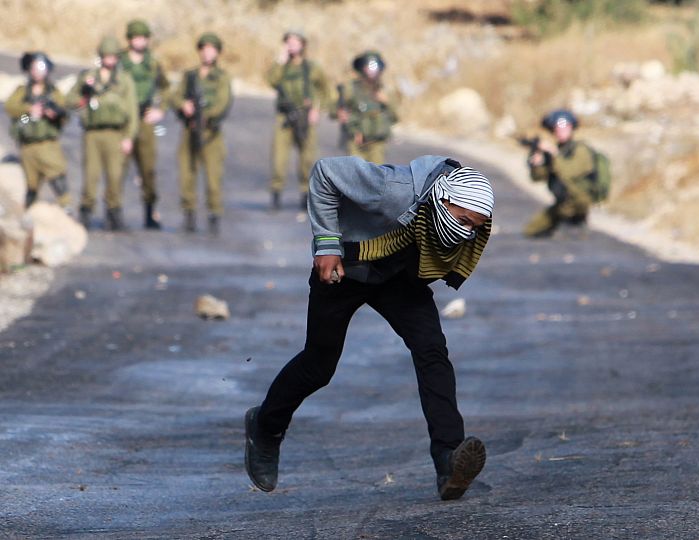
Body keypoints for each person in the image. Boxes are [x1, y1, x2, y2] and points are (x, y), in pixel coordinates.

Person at [245, 155, 494, 501]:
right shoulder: (391, 189)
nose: (466, 231)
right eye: (463, 219)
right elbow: (324, 173)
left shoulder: (457, 218)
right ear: (444, 198)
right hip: (348, 263)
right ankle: (265, 428)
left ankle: (449, 460)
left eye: (474, 226)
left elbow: (454, 237)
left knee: (432, 350)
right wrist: (327, 243)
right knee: (319, 365)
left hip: (398, 276)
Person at [66, 36, 138, 231]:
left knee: (115, 176)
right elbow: (70, 99)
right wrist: (84, 93)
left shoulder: (124, 80)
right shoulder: (88, 77)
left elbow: (132, 111)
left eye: (114, 56)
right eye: (107, 55)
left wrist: (129, 137)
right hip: (92, 133)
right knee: (91, 176)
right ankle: (86, 211)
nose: (110, 59)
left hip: (116, 133)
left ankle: (114, 213)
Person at [169, 32, 232, 235]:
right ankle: (189, 214)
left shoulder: (221, 77)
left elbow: (224, 102)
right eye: (204, 49)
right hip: (190, 130)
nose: (207, 53)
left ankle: (214, 215)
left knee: (213, 178)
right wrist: (183, 105)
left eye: (212, 49)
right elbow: (175, 96)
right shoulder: (190, 75)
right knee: (187, 174)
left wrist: (206, 115)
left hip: (211, 133)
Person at [266, 30, 330, 210]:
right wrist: (280, 60)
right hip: (284, 117)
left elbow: (326, 89)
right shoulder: (282, 67)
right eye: (288, 42)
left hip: (304, 117)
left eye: (295, 42)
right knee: (279, 159)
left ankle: (305, 195)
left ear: (303, 44)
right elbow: (271, 80)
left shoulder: (312, 67)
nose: (291, 45)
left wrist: (317, 109)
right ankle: (276, 194)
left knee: (307, 158)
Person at [119, 19, 170, 230]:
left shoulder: (153, 63)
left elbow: (166, 88)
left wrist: (161, 110)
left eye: (144, 38)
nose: (140, 41)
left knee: (148, 169)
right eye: (136, 37)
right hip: (123, 121)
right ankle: (114, 212)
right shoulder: (119, 62)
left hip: (146, 119)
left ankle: (150, 213)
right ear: (130, 39)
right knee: (118, 170)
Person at [4, 52, 70, 210]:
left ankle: (66, 207)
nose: (38, 72)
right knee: (31, 184)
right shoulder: (22, 91)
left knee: (57, 176)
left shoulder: (53, 92)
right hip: (27, 143)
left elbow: (64, 113)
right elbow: (10, 107)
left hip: (47, 142)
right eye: (34, 68)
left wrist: (52, 114)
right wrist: (29, 110)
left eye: (41, 68)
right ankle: (29, 212)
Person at [523, 109, 595, 238]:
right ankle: (563, 220)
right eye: (558, 128)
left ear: (572, 128)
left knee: (572, 226)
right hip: (560, 203)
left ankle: (576, 221)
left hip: (579, 200)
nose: (561, 131)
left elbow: (569, 172)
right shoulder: (555, 150)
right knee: (531, 230)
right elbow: (537, 178)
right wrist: (537, 163)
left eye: (565, 127)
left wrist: (554, 154)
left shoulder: (580, 149)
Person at [334, 50, 398, 164]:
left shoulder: (386, 90)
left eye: (375, 66)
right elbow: (333, 108)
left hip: (377, 143)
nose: (372, 70)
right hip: (356, 140)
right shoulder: (351, 89)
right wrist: (340, 113)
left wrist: (386, 102)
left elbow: (396, 117)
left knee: (376, 176)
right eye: (368, 66)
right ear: (362, 68)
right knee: (355, 175)